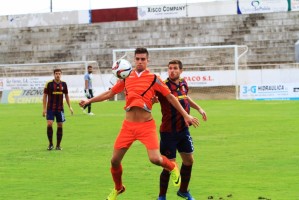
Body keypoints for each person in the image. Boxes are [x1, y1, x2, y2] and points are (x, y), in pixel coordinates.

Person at [79, 47, 200, 200]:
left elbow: (170, 97)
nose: (140, 62)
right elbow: (109, 93)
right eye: (137, 59)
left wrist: (186, 115)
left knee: (155, 159)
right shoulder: (126, 77)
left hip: (146, 125)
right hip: (128, 127)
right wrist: (89, 101)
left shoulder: (154, 78)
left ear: (147, 61)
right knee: (114, 161)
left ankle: (173, 167)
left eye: (143, 59)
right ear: (134, 60)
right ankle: (118, 188)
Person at [155, 60, 207, 200]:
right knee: (169, 166)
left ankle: (183, 191)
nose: (172, 71)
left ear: (181, 71)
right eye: (170, 68)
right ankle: (161, 196)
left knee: (189, 161)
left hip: (183, 130)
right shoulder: (163, 86)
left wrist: (199, 108)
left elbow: (186, 97)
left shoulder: (183, 83)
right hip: (168, 132)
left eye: (175, 68)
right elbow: (155, 97)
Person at [42, 68, 73, 150]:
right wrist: (44, 109)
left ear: (61, 74)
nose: (58, 75)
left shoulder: (64, 84)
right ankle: (50, 144)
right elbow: (45, 96)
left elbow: (66, 95)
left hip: (60, 109)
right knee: (49, 124)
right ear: (54, 74)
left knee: (60, 125)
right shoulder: (49, 84)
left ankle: (58, 145)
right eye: (56, 73)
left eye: (59, 73)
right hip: (50, 108)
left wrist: (70, 106)